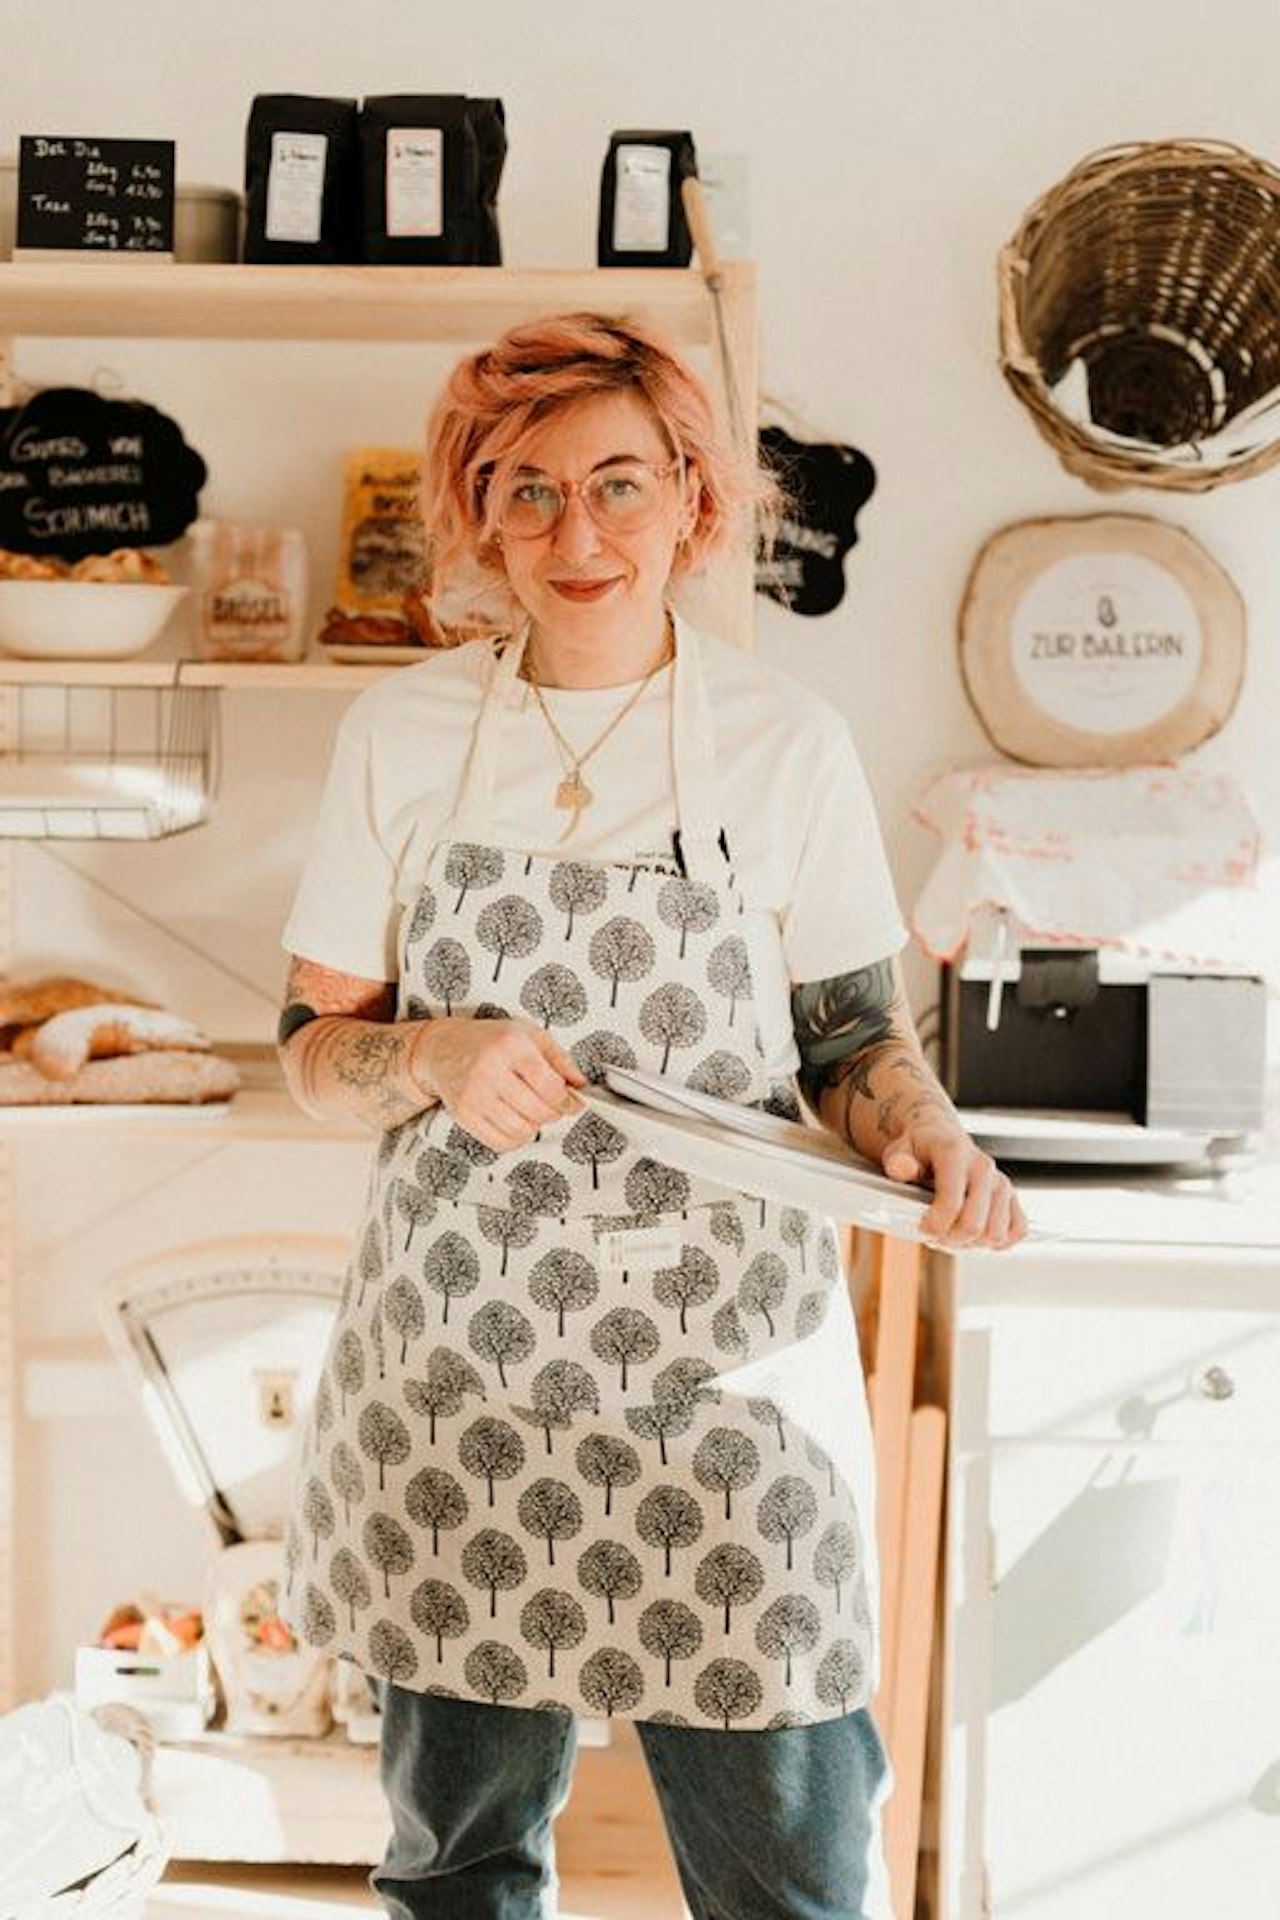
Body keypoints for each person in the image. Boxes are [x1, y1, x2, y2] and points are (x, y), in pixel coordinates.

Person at [277, 310, 1026, 1920]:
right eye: (528, 490)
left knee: (794, 1877)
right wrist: (429, 1053)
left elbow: (849, 1038)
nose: (577, 533)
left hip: (728, 1381)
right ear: (479, 513)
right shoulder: (401, 738)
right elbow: (308, 1042)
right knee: (459, 1870)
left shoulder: (785, 746)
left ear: (695, 500)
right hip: (463, 1379)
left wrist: (922, 1127)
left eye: (619, 484)